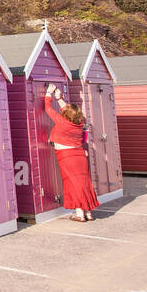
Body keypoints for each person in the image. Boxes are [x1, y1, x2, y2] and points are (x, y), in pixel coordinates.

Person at [43, 83, 99, 222]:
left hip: (67, 157)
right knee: (84, 182)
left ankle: (79, 214)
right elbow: (68, 110)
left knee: (73, 184)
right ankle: (88, 212)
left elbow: (48, 109)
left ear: (66, 115)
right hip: (79, 156)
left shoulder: (62, 122)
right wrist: (59, 97)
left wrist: (48, 94)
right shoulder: (79, 123)